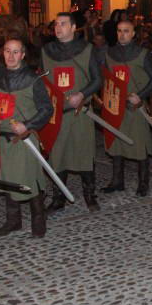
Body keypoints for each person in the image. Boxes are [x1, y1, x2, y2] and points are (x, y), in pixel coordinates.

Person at [0, 38, 53, 238]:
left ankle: (38, 222)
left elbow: (46, 109)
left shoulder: (33, 79)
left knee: (30, 180)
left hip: (24, 139)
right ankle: (13, 221)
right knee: (7, 178)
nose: (11, 56)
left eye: (16, 52)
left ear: (23, 55)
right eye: (7, 51)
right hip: (3, 138)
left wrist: (28, 125)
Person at [42, 12, 103, 213]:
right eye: (56, 24)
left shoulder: (87, 49)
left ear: (73, 27)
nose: (58, 28)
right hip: (56, 114)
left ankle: (89, 196)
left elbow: (97, 80)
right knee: (57, 155)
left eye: (63, 24)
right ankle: (58, 198)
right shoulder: (46, 51)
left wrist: (82, 94)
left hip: (80, 112)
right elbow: (42, 83)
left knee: (84, 152)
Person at [101, 19, 152, 196]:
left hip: (135, 107)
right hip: (116, 106)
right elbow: (106, 79)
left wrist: (140, 96)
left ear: (133, 33)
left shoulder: (142, 54)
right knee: (116, 144)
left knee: (140, 145)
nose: (122, 34)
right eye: (119, 31)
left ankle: (144, 182)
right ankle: (117, 181)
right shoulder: (110, 54)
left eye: (126, 31)